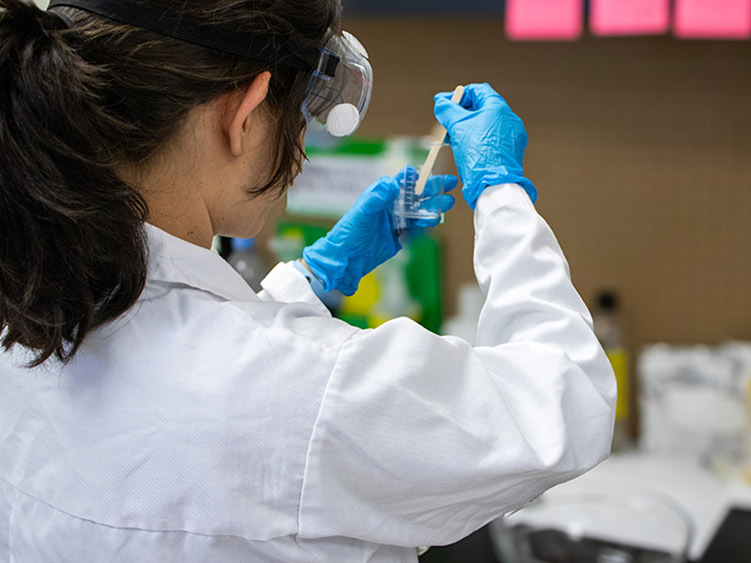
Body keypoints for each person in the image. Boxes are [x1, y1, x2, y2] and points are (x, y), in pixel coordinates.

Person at [0, 0, 615, 561]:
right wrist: (500, 192)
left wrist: (313, 279)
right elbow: (567, 403)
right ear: (242, 114)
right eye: (302, 114)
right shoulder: (312, 392)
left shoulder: (26, 311)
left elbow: (191, 369)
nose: (301, 145)